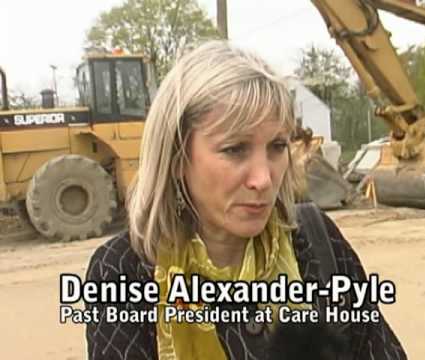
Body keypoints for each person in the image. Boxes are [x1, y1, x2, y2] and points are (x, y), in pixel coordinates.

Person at [85, 41, 407, 360]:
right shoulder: (124, 270)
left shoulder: (317, 241)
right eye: (235, 149)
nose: (263, 179)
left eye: (277, 147)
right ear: (177, 157)